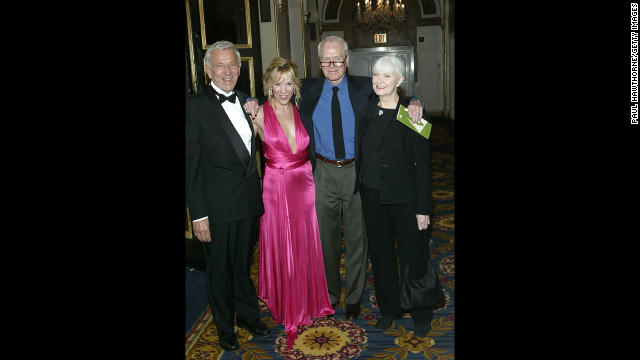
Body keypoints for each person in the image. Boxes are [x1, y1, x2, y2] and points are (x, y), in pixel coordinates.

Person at [246, 36, 424, 320]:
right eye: (326, 60)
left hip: (357, 172)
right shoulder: (307, 88)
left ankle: (353, 298)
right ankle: (328, 294)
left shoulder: (366, 86)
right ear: (319, 63)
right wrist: (250, 99)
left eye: (337, 59)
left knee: (358, 239)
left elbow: (396, 93)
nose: (331, 65)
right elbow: (274, 87)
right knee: (324, 241)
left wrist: (416, 101)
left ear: (347, 60)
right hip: (320, 173)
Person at [185, 40, 270, 351]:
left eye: (232, 65)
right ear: (208, 69)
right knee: (219, 271)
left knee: (242, 266)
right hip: (217, 208)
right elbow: (190, 167)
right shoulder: (194, 107)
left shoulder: (248, 101)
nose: (227, 71)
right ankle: (224, 329)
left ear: (240, 68)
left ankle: (248, 315)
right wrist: (198, 214)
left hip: (247, 203)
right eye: (220, 65)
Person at [355, 55, 446, 338]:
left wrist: (423, 208)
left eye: (387, 76)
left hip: (406, 200)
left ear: (401, 81)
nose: (379, 81)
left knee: (413, 255)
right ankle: (388, 309)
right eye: (376, 75)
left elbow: (423, 166)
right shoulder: (368, 107)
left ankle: (421, 312)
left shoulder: (413, 113)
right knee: (380, 257)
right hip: (372, 198)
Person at [250, 56, 334, 349]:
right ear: (269, 86)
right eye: (277, 83)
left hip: (304, 182)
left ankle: (309, 302)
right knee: (283, 244)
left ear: (295, 85)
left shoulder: (302, 108)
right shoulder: (258, 113)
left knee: (305, 242)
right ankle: (288, 309)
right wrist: (249, 100)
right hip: (276, 186)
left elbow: (335, 78)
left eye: (288, 83)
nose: (283, 89)